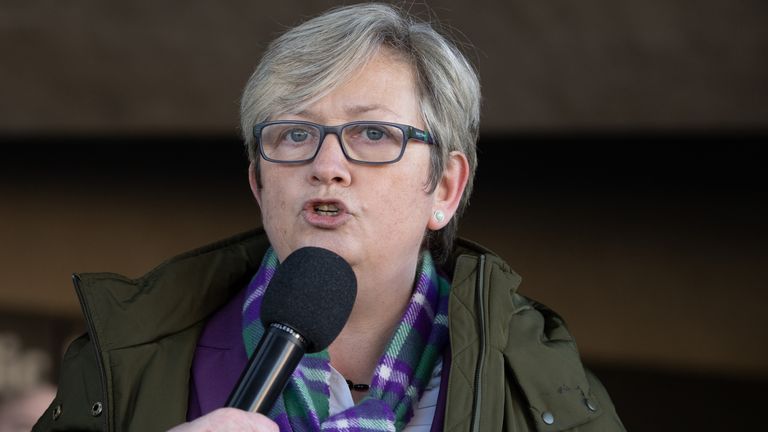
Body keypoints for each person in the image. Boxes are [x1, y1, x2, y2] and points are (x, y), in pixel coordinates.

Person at [34, 3, 624, 431]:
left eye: (372, 133)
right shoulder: (123, 361)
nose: (327, 165)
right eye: (294, 133)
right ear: (259, 183)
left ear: (444, 187)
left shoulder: (544, 386)